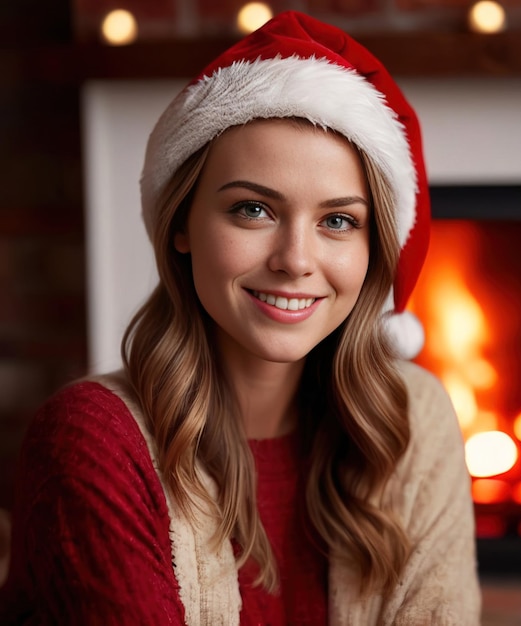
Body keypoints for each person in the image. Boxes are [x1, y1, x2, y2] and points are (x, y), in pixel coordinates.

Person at [0, 10, 481, 625]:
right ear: (181, 226)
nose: (295, 261)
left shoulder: (411, 422)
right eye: (253, 209)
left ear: (373, 248)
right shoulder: (92, 442)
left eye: (338, 220)